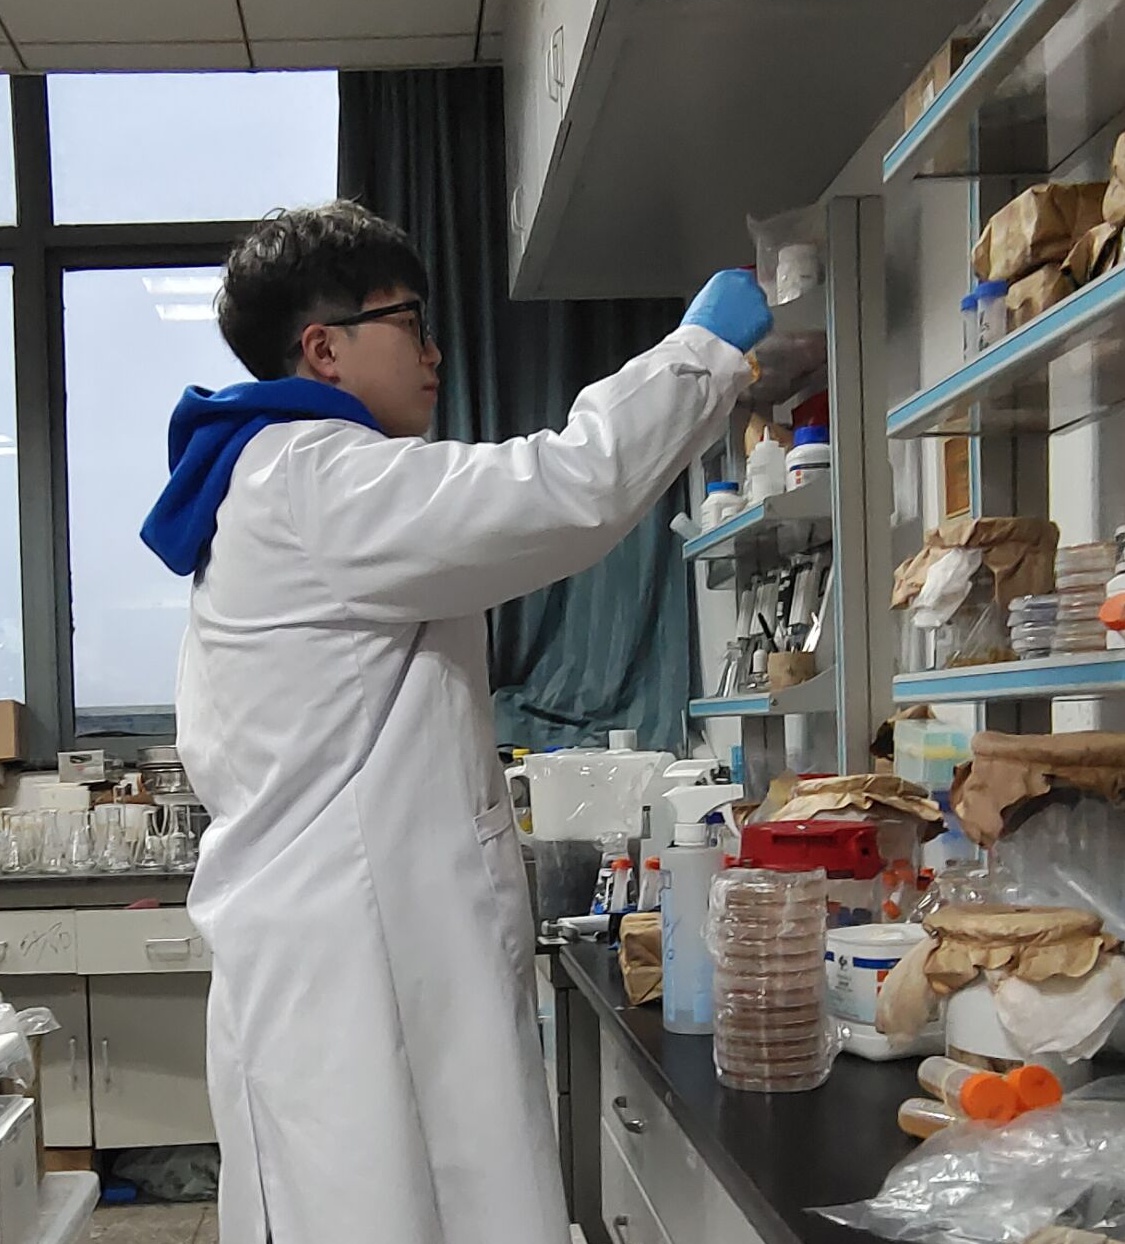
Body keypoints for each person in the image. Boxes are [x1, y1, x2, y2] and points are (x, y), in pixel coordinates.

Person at [141, 200, 771, 1244]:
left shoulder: (279, 477)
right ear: (323, 349)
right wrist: (698, 353)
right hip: (355, 961)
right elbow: (563, 487)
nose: (434, 351)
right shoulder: (319, 477)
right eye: (409, 321)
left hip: (347, 946)